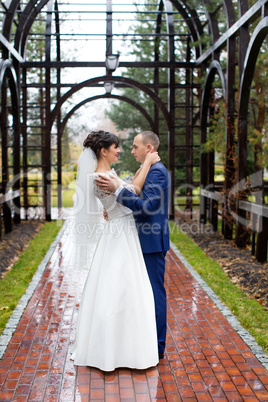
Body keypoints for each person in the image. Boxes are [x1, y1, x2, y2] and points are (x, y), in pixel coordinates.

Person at [71, 130, 160, 372]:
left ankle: (124, 347)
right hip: (119, 233)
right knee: (119, 288)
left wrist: (142, 169)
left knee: (126, 288)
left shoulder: (106, 173)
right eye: (116, 147)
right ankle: (112, 351)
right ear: (103, 150)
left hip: (121, 229)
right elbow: (133, 191)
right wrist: (147, 163)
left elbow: (126, 191)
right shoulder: (101, 176)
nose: (119, 150)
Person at [96, 131, 170, 359]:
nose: (131, 150)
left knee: (154, 294)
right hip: (138, 240)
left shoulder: (157, 172)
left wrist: (117, 192)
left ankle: (157, 347)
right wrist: (116, 209)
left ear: (148, 148)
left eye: (135, 146)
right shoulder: (146, 170)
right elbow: (136, 197)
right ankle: (142, 342)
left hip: (151, 243)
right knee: (141, 294)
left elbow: (146, 207)